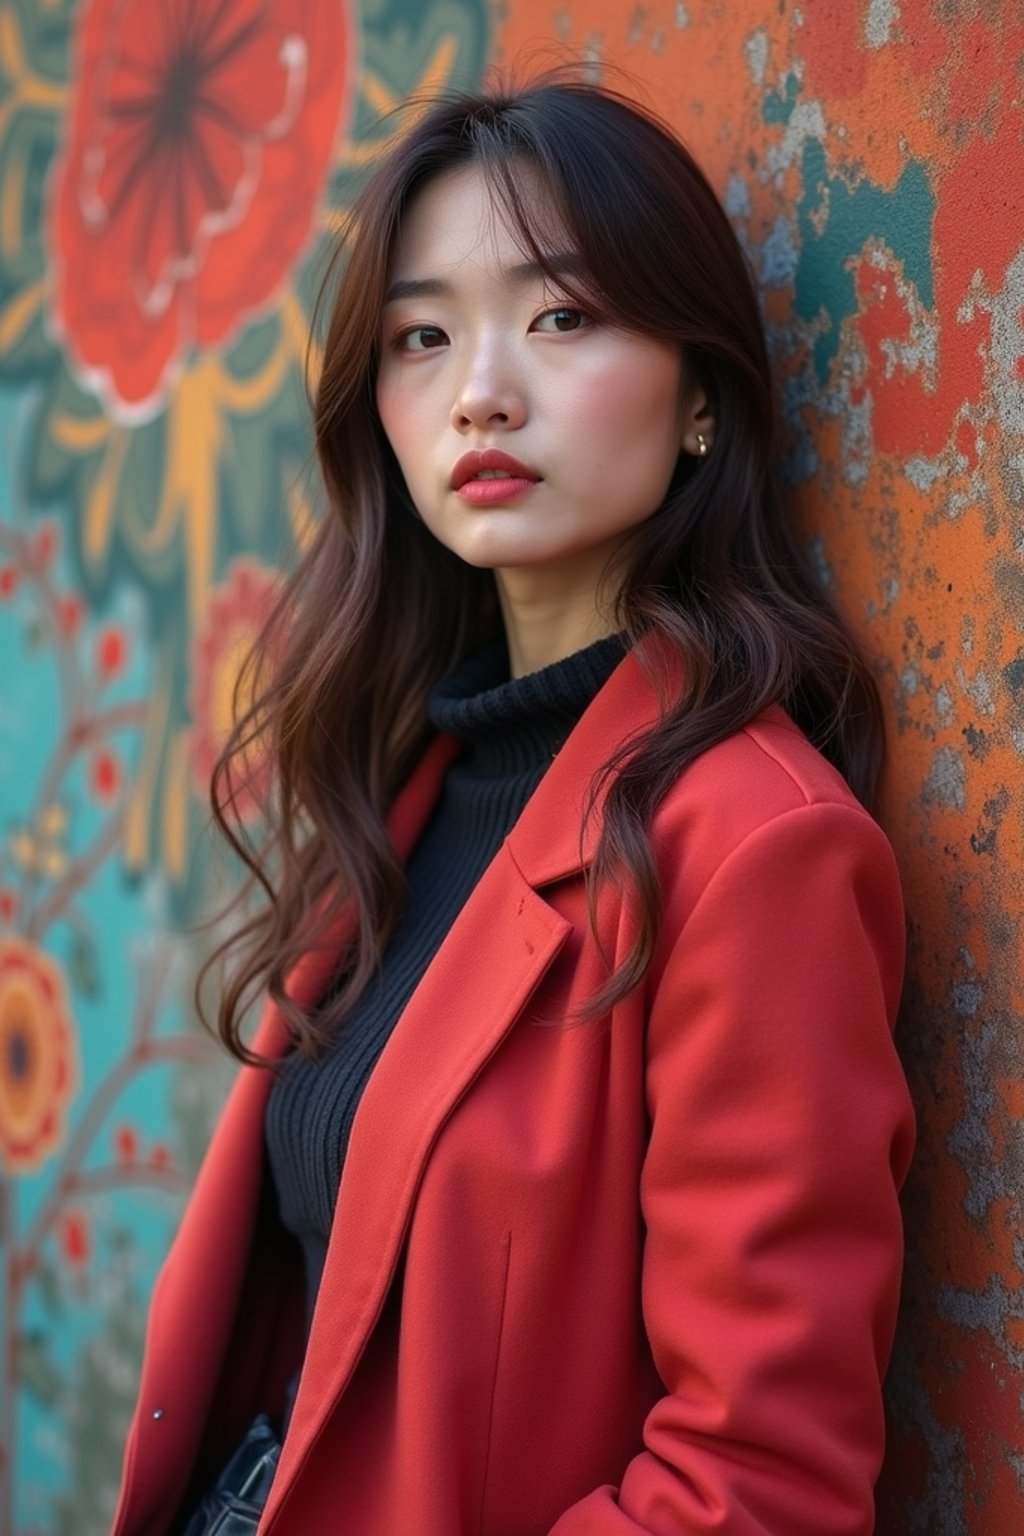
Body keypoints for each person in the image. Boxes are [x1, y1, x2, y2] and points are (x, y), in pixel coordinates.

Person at [111, 75, 915, 1536]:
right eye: (423, 337)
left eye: (561, 316)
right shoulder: (400, 788)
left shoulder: (757, 847)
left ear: (699, 402)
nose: (481, 387)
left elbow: (762, 1483)